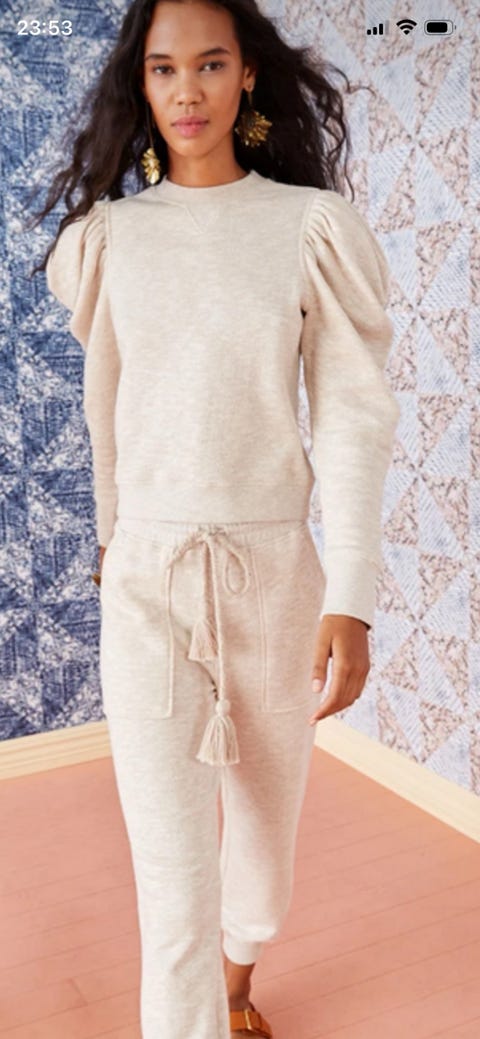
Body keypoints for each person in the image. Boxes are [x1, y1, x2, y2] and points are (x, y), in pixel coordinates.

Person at [30, 0, 400, 1035]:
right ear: (140, 85)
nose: (186, 89)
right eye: (163, 68)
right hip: (147, 580)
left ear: (247, 77)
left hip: (274, 579)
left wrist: (352, 596)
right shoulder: (110, 241)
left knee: (264, 855)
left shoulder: (307, 229)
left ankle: (240, 975)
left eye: (209, 64)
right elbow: (108, 406)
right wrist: (115, 539)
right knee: (172, 876)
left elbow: (354, 418)